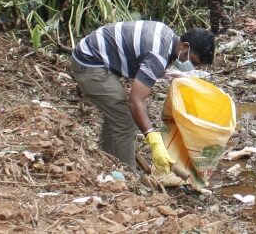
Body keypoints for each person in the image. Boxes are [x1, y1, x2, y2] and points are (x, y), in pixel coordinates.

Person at [70, 21, 215, 172]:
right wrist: (152, 137)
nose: (190, 65)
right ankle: (129, 176)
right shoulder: (157, 55)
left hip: (98, 55)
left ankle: (109, 162)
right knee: (125, 121)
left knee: (116, 113)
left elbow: (143, 58)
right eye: (192, 61)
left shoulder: (167, 35)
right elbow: (135, 101)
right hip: (89, 63)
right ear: (184, 46)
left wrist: (164, 73)